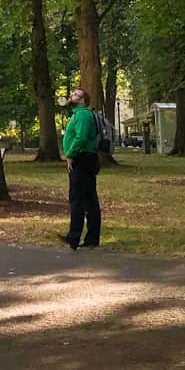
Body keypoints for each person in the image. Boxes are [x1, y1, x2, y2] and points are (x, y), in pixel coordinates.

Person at [59, 89, 101, 250]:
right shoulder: (78, 114)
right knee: (89, 199)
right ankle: (92, 238)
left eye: (75, 95)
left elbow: (81, 138)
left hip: (82, 159)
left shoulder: (83, 115)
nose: (71, 96)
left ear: (82, 100)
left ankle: (74, 237)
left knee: (77, 198)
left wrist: (70, 155)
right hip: (86, 158)